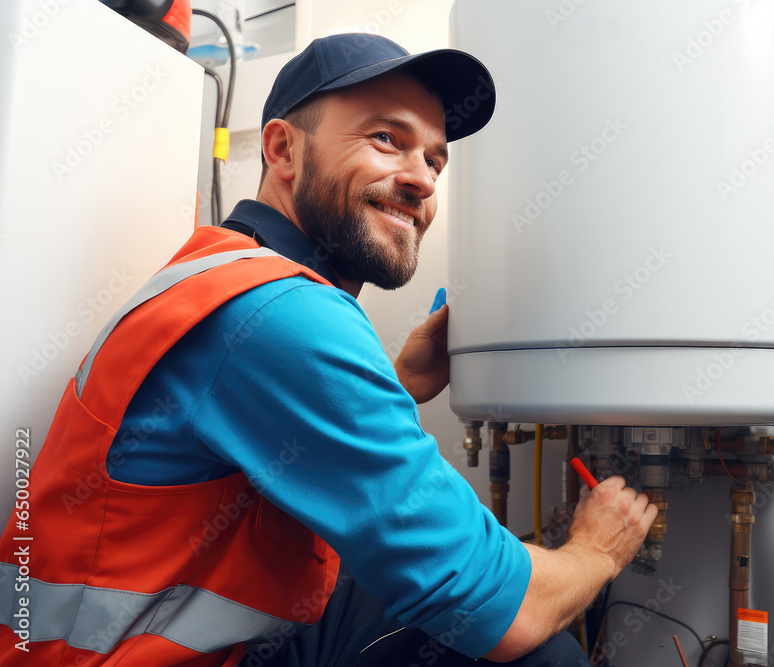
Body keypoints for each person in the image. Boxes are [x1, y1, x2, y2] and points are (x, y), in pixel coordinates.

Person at [0, 34, 655, 666]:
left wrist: (399, 379)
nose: (422, 180)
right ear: (282, 149)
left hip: (140, 637)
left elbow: (288, 457)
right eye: (386, 138)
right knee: (538, 649)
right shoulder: (282, 314)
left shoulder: (226, 269)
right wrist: (597, 548)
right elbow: (508, 612)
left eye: (434, 159)